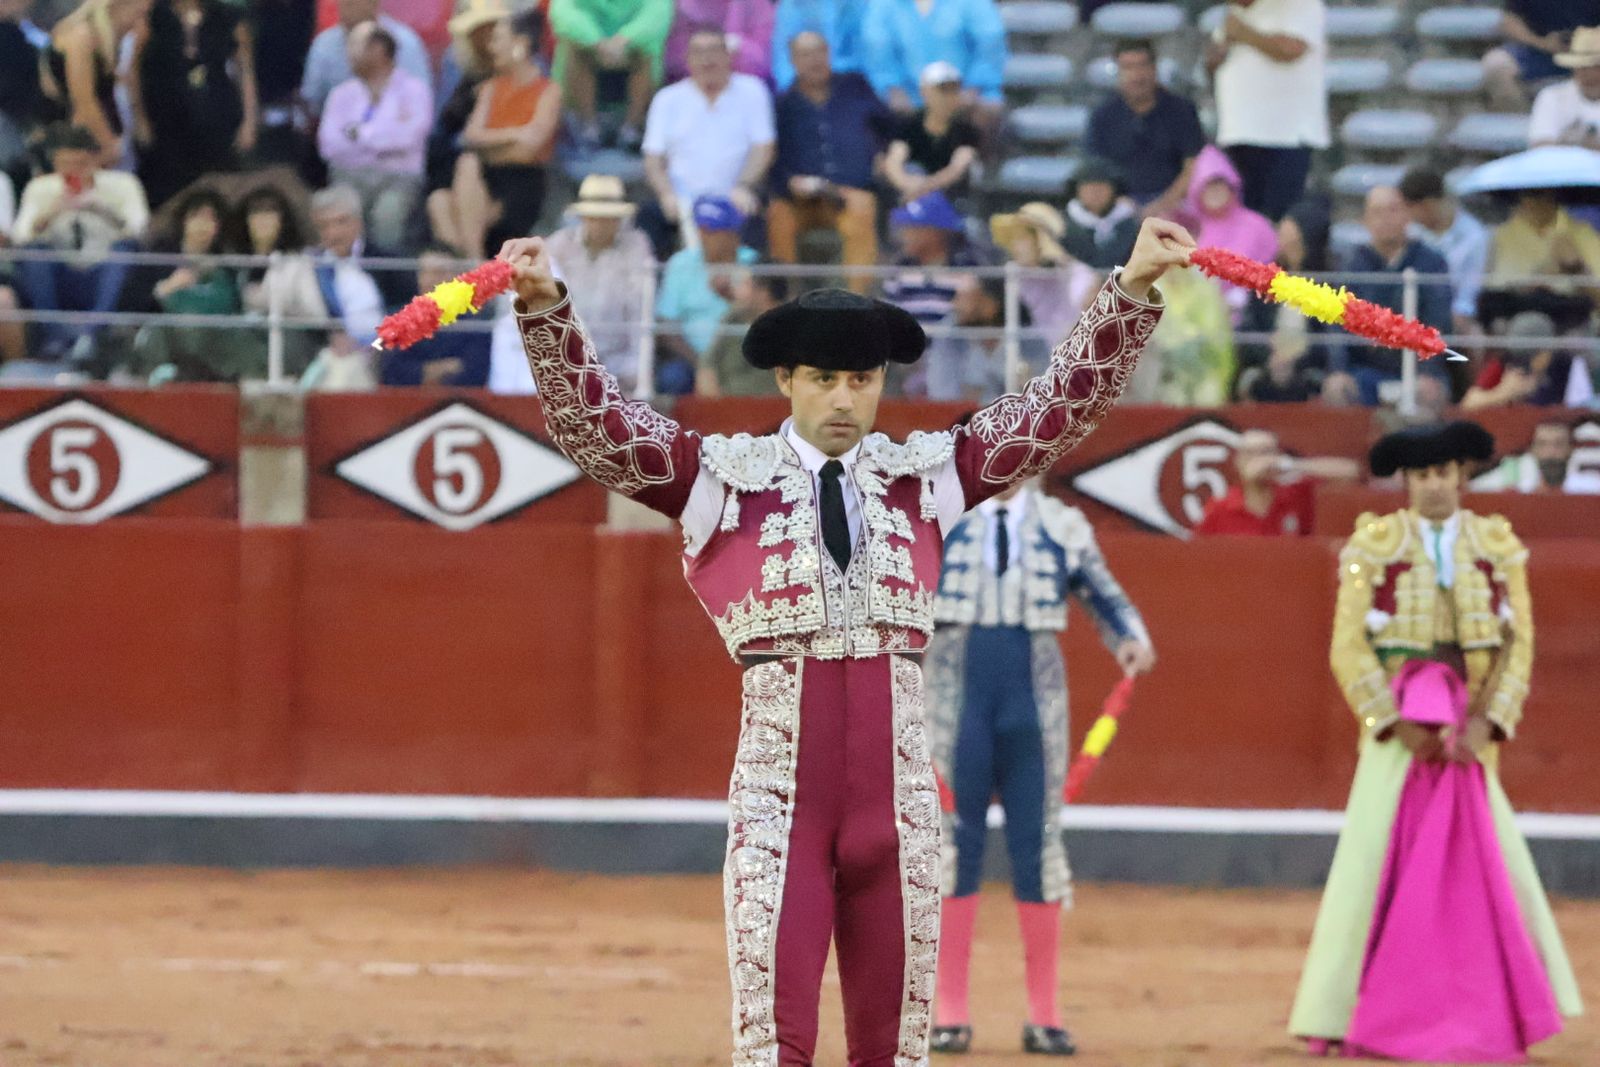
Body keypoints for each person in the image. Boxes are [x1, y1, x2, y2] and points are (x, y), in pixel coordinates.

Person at [497, 213, 1191, 1067]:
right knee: (776, 1042)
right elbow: (600, 434)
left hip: (900, 811)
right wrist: (545, 311)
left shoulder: (925, 477)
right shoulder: (724, 480)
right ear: (785, 378)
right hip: (777, 806)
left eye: (861, 380)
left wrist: (1130, 289)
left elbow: (1053, 413)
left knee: (894, 1048)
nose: (842, 398)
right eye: (824, 378)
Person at [1290, 420, 1583, 1061]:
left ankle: (1502, 1007)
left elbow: (1518, 643)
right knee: (1372, 857)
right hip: (1400, 730)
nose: (1434, 486)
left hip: (1471, 726)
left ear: (1462, 477)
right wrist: (1391, 720)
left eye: (1444, 474)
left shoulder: (1499, 545)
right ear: (1407, 482)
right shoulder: (1376, 543)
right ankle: (1341, 1012)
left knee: (1491, 861)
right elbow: (1348, 642)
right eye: (1422, 476)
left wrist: (1489, 722)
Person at [925, 478, 1154, 1057]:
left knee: (1040, 842)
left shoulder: (1062, 525)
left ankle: (1044, 1015)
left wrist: (1130, 638)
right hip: (954, 697)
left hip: (1035, 700)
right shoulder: (939, 518)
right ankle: (949, 1010)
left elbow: (1104, 594)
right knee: (953, 842)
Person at [427, 10, 561, 259]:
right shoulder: (491, 88)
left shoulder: (547, 91)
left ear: (520, 44)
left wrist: (490, 144)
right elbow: (471, 136)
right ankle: (473, 261)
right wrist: (515, 133)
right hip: (483, 176)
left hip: (521, 182)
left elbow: (531, 146)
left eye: (499, 39)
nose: (492, 47)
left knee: (469, 166)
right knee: (440, 200)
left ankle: (471, 266)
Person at [11, 123, 149, 362]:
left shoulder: (123, 184)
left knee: (123, 251)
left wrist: (102, 208)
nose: (73, 171)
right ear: (55, 162)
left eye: (80, 164)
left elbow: (139, 229)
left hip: (104, 270)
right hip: (59, 273)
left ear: (94, 161)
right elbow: (20, 236)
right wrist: (50, 214)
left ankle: (93, 334)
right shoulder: (40, 188)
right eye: (66, 165)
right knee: (35, 253)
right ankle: (55, 336)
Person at [768, 31, 889, 293]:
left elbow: (888, 126)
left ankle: (857, 303)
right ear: (792, 60)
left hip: (850, 191)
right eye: (805, 54)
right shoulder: (783, 105)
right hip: (802, 199)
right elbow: (772, 159)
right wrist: (790, 182)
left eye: (819, 52)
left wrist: (884, 153)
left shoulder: (855, 87)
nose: (814, 60)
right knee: (778, 215)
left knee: (862, 207)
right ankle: (785, 306)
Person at [640, 27, 775, 259]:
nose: (707, 59)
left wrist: (744, 185)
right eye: (699, 52)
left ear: (728, 55)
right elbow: (653, 159)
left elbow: (763, 149)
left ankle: (747, 291)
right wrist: (666, 194)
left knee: (758, 215)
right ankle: (660, 293)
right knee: (648, 218)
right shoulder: (667, 99)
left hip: (733, 197)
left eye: (714, 51)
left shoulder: (753, 91)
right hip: (682, 202)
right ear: (688, 59)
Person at [1208, 0, 1328, 222]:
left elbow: (1292, 49)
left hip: (1286, 136)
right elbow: (1213, 62)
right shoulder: (1233, 14)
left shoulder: (1304, 5)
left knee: (1282, 222)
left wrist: (1244, 33)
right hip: (1239, 133)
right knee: (1243, 224)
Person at [317, 22, 432, 253]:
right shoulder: (341, 95)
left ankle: (385, 282)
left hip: (398, 178)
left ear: (378, 49)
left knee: (388, 215)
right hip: (348, 177)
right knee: (338, 211)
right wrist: (382, 137)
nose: (348, 54)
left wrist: (358, 134)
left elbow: (408, 140)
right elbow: (329, 145)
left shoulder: (414, 91)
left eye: (355, 46)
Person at [127, 187, 262, 382]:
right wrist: (166, 288)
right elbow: (132, 307)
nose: (203, 225)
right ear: (184, 221)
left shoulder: (229, 264)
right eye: (196, 216)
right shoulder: (158, 258)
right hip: (170, 342)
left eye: (211, 219)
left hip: (216, 345)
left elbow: (235, 308)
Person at [130, 0, 255, 209]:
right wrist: (140, 118)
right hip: (165, 118)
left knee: (220, 186)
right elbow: (132, 70)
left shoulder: (228, 17)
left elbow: (246, 72)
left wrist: (249, 122)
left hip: (217, 116)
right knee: (168, 188)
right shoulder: (152, 16)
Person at [1337, 186, 1453, 406]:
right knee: (1338, 388)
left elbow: (1439, 320)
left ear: (1407, 215)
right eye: (1377, 212)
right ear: (1365, 220)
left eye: (1393, 210)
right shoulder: (1351, 264)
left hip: (1420, 369)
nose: (1386, 219)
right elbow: (1337, 324)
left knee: (1429, 392)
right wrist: (1338, 370)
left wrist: (1428, 371)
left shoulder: (1432, 262)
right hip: (1365, 368)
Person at [543, 173, 655, 389]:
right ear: (583, 217)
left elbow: (641, 312)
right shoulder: (558, 246)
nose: (602, 224)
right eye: (595, 217)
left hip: (618, 361)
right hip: (567, 358)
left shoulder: (636, 247)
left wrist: (636, 372)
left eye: (609, 218)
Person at [1085, 40, 1204, 217]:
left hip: (1175, 203)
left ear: (1154, 69)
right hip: (1119, 204)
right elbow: (1096, 170)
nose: (1137, 75)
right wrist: (1120, 204)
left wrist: (1164, 205)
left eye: (1142, 65)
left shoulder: (1181, 110)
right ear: (1118, 72)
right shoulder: (1103, 115)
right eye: (1128, 67)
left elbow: (1193, 166)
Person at [40, 0, 152, 169]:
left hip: (104, 133)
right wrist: (109, 145)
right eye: (139, 13)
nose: (140, 22)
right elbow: (84, 101)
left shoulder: (109, 40)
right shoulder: (81, 37)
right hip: (78, 145)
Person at [656, 195, 758, 378]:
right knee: (672, 377)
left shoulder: (755, 263)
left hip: (745, 358)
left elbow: (767, 314)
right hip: (691, 359)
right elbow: (666, 324)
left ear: (732, 234)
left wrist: (733, 296)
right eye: (700, 228)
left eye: (712, 230)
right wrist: (701, 365)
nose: (703, 235)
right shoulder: (680, 263)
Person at [550, 0, 670, 152]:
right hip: (589, 50)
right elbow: (564, 13)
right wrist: (597, 43)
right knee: (576, 49)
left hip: (632, 52)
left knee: (646, 52)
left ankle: (631, 130)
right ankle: (589, 130)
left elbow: (657, 15)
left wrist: (623, 40)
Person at [861, 0, 1004, 127]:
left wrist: (971, 91)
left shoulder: (974, 4)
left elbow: (989, 45)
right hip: (906, 95)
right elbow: (876, 49)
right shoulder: (883, 4)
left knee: (988, 109)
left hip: (963, 92)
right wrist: (893, 89)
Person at [1194, 428, 1358, 536]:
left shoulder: (1296, 494)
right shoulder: (1220, 507)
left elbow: (1350, 473)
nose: (1259, 460)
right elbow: (1198, 555)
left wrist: (1290, 464)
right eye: (1251, 453)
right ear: (1238, 461)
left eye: (1266, 452)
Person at [1181, 144, 1277, 317]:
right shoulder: (1189, 226)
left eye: (1219, 184)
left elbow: (1271, 266)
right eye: (1207, 185)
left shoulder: (1256, 224)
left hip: (1250, 316)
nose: (1215, 192)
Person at [921, 273, 1048, 401]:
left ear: (990, 304)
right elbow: (942, 395)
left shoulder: (1028, 339)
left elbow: (1043, 396)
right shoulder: (950, 333)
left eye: (962, 297)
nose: (955, 304)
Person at [988, 201, 1100, 343]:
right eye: (1013, 238)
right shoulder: (1014, 276)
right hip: (1032, 358)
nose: (1015, 245)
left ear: (1042, 239)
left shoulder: (1081, 277)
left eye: (1022, 238)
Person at [379, 246, 492, 386]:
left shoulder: (477, 324)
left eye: (439, 273)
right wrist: (443, 368)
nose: (429, 281)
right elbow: (391, 372)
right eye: (424, 273)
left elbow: (474, 374)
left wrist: (422, 372)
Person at [428, 0, 505, 203]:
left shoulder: (517, 61)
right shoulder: (455, 60)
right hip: (459, 150)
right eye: (478, 29)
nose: (484, 35)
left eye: (490, 27)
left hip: (505, 158)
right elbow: (444, 122)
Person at [1399, 167, 1489, 340]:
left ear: (1426, 206)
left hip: (1452, 316)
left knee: (1473, 338)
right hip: (1412, 309)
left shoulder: (1474, 236)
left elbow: (1469, 288)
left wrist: (1457, 315)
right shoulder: (1410, 233)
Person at [299, 0, 429, 116]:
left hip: (396, 132)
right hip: (338, 133)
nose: (346, 7)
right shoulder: (324, 45)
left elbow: (421, 103)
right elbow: (311, 104)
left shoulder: (405, 42)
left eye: (353, 2)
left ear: (374, 3)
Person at [882, 61, 980, 205]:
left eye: (953, 90)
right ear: (925, 92)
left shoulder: (966, 131)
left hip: (950, 202)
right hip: (910, 200)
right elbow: (893, 163)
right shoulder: (909, 126)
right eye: (942, 90)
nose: (948, 97)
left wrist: (921, 189)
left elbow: (957, 169)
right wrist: (907, 184)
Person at [882, 190, 981, 327]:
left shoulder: (966, 266)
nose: (904, 235)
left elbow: (967, 316)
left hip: (951, 345)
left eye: (913, 228)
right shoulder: (899, 268)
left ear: (936, 233)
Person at [1461, 310, 1590, 410]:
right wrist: (1503, 393)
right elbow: (1468, 404)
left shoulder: (1568, 365)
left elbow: (1580, 409)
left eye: (1535, 354)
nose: (1527, 361)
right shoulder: (1506, 362)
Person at [1483, 1, 1600, 110]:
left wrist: (1587, 44)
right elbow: (1509, 19)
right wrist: (1541, 43)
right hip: (1538, 53)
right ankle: (1523, 122)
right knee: (1496, 64)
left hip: (1593, 56)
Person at [696, 265, 787, 396]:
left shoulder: (786, 326)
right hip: (724, 405)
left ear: (763, 292)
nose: (734, 291)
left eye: (742, 284)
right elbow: (707, 364)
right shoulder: (731, 319)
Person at [1488, 188, 1600, 292]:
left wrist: (1577, 269)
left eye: (1539, 192)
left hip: (1571, 309)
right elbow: (1481, 298)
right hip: (1510, 310)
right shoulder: (1495, 236)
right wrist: (1540, 279)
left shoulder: (1582, 233)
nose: (1533, 201)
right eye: (1529, 192)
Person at [1474, 418, 1600, 493]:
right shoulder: (1517, 485)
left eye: (1559, 444)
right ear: (1533, 450)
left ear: (1570, 449)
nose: (1551, 452)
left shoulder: (1592, 487)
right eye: (1543, 444)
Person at [665, 0, 776, 84]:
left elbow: (766, 61)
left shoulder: (755, 4)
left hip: (746, 87)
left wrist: (735, 44)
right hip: (688, 89)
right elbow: (673, 61)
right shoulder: (680, 8)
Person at [1527, 27, 1600, 148]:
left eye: (1595, 67)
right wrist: (1577, 144)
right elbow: (1540, 146)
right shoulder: (1552, 96)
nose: (1588, 74)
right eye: (1582, 67)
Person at [1062, 158, 1139, 271]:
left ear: (1114, 190)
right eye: (1089, 188)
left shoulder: (1132, 226)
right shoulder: (1062, 225)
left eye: (1101, 187)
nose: (1095, 193)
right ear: (1077, 190)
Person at [771, 0, 864, 91]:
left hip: (853, 84)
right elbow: (783, 57)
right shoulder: (793, 4)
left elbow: (868, 50)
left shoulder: (857, 4)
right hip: (801, 89)